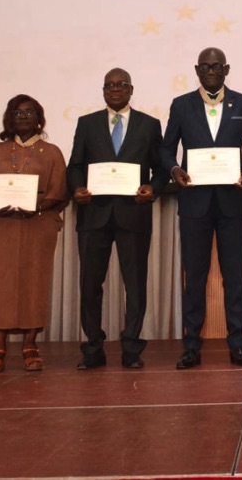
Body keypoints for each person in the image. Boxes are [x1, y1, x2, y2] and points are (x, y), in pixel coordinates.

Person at [161, 47, 242, 369]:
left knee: (234, 277)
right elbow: (165, 150)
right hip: (193, 202)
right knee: (196, 277)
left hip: (231, 201)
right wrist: (175, 170)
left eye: (217, 66)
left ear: (227, 69)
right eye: (206, 66)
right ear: (197, 70)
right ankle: (191, 346)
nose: (212, 71)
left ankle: (238, 346)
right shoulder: (181, 104)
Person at [67, 68, 169, 369]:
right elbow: (75, 166)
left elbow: (161, 169)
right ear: (102, 90)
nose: (115, 89)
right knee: (89, 283)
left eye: (121, 85)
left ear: (131, 89)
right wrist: (76, 189)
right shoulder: (86, 124)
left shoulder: (149, 125)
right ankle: (93, 348)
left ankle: (131, 348)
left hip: (133, 214)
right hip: (93, 215)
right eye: (109, 85)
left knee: (135, 284)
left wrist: (153, 189)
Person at [0, 95, 69, 373]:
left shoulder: (51, 152)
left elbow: (60, 191)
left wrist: (38, 204)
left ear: (39, 118)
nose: (23, 117)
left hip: (38, 224)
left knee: (34, 281)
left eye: (29, 112)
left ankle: (30, 345)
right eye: (17, 112)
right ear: (9, 118)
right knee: (0, 282)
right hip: (1, 225)